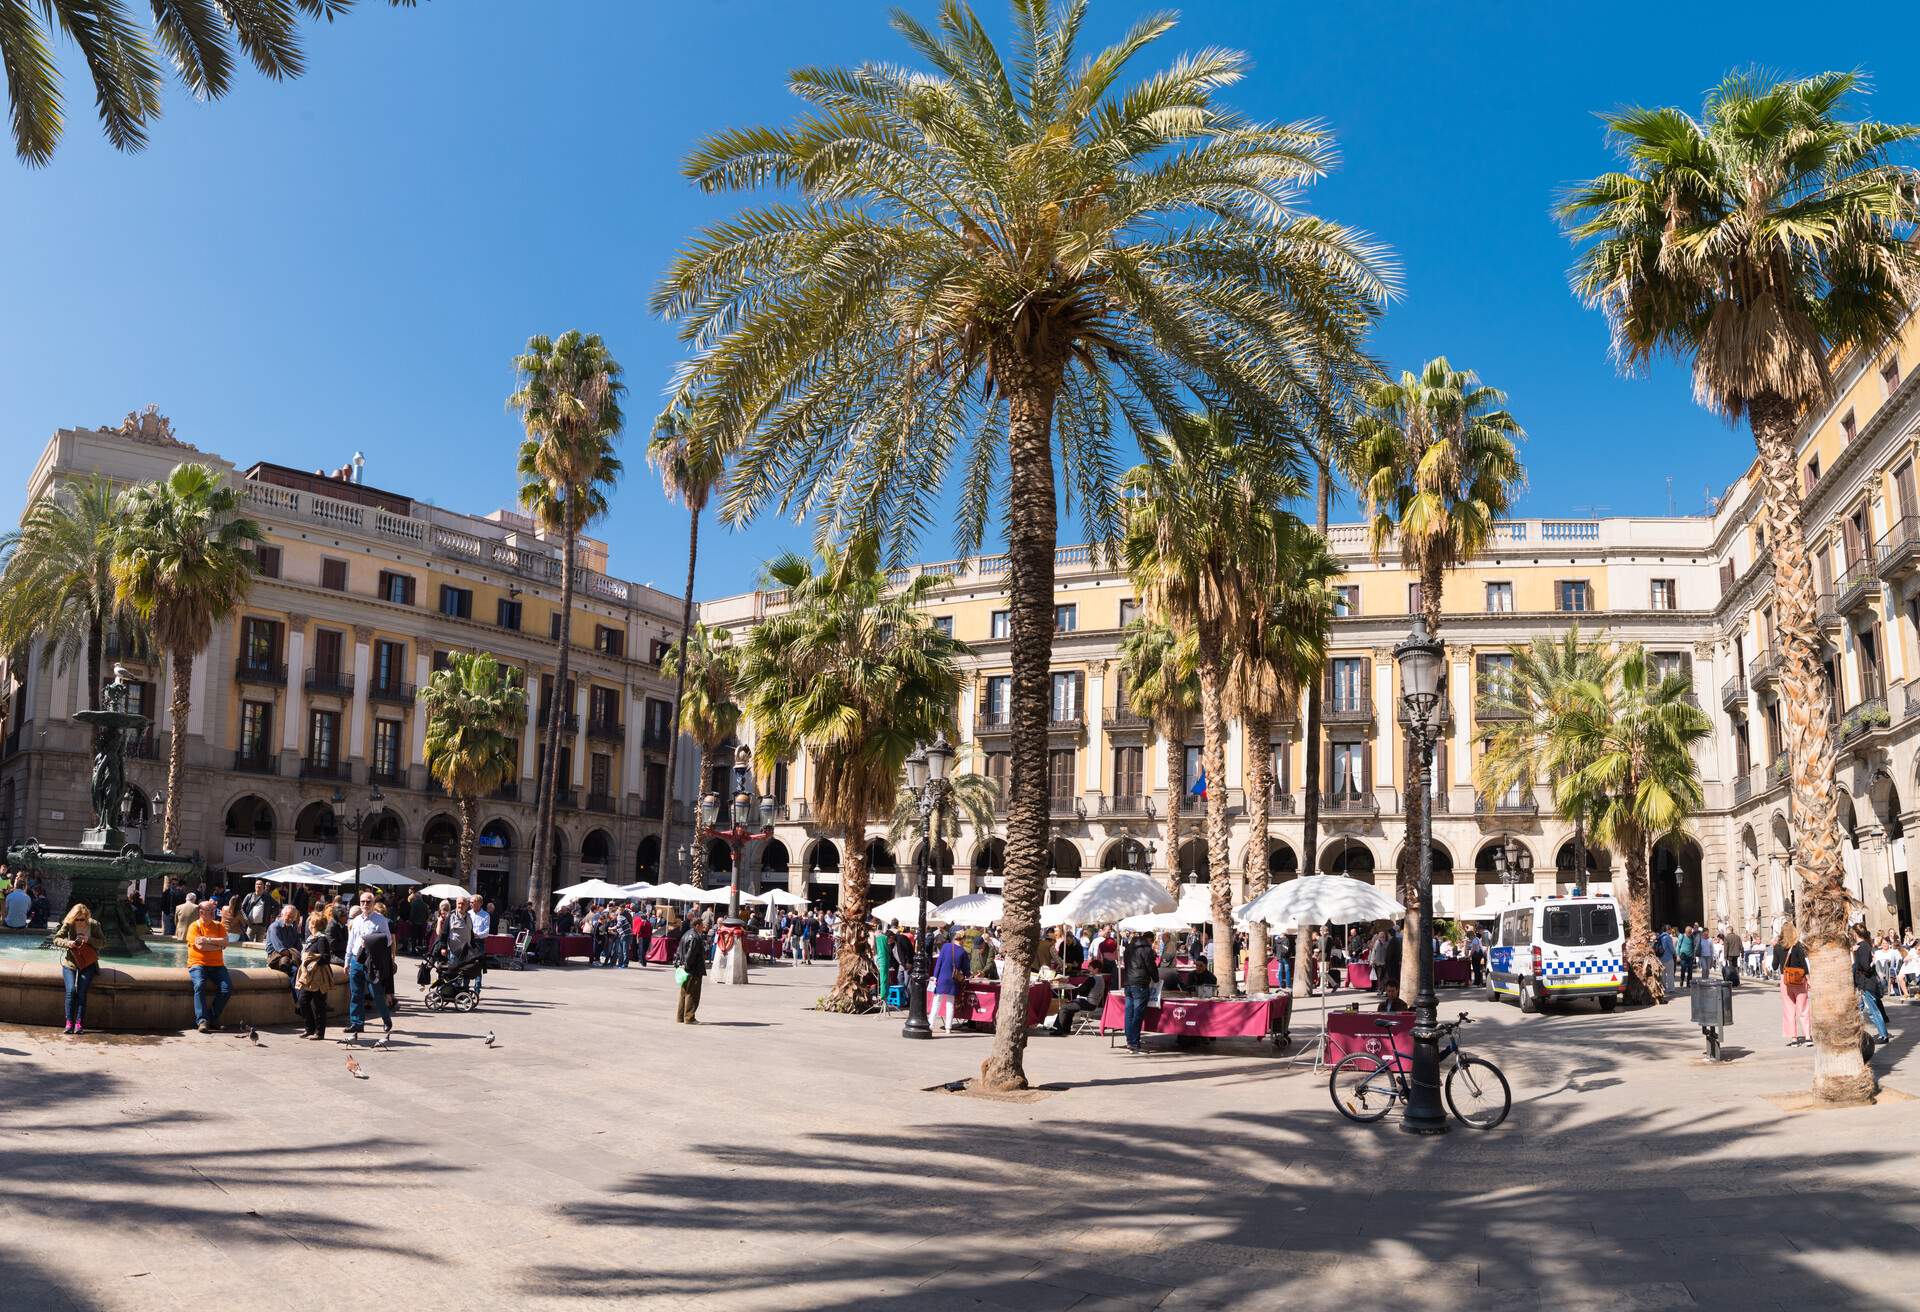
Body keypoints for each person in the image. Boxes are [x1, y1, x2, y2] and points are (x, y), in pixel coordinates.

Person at [344, 891, 393, 1041]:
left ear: (373, 903)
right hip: (356, 959)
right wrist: (347, 961)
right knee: (356, 993)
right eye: (363, 901)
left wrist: (371, 941)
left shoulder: (381, 920)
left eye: (368, 902)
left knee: (376, 993)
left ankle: (386, 1020)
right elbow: (350, 942)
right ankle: (357, 1023)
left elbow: (388, 940)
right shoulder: (356, 920)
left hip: (371, 961)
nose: (365, 904)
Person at [51, 902, 104, 1035]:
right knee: (70, 991)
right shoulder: (69, 923)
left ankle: (79, 1023)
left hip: (87, 963)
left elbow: (103, 943)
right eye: (77, 919)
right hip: (70, 962)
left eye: (82, 919)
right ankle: (69, 1022)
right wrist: (67, 943)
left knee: (81, 992)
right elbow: (56, 939)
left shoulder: (94, 924)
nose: (79, 921)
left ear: (86, 917)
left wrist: (89, 939)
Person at [185, 899, 232, 1033]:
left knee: (227, 989)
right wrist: (218, 946)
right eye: (209, 911)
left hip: (217, 965)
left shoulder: (219, 925)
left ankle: (212, 1017)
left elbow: (226, 942)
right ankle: (202, 1021)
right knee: (199, 985)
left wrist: (209, 940)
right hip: (197, 964)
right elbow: (201, 946)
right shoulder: (194, 926)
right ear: (201, 912)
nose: (213, 913)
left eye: (213, 911)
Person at [294, 917, 334, 1040]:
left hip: (318, 976)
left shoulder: (321, 939)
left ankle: (319, 1032)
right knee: (303, 1001)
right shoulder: (311, 939)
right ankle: (309, 1029)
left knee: (319, 1005)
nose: (309, 926)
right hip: (309, 976)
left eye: (310, 924)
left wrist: (313, 962)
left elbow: (326, 957)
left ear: (314, 925)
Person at [1853, 923, 1891, 1045]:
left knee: (1873, 1011)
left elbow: (1866, 967)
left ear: (1855, 933)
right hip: (1867, 982)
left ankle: (1883, 1035)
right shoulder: (1864, 946)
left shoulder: (1862, 947)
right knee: (1872, 1010)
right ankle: (1883, 1034)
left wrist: (1872, 963)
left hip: (1866, 983)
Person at [1121, 931, 1158, 1055]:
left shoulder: (1129, 948)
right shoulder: (1146, 949)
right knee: (1137, 1014)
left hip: (1128, 983)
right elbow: (1151, 966)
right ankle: (1134, 1043)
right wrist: (1156, 978)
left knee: (1129, 1013)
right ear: (1149, 939)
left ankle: (1129, 1041)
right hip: (1140, 984)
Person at [1775, 923, 1811, 1046]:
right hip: (1799, 978)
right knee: (1804, 1008)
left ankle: (1794, 1039)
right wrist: (1808, 978)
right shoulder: (1798, 946)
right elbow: (1804, 964)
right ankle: (1807, 1037)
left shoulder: (1778, 947)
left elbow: (1774, 966)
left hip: (1785, 980)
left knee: (1789, 1010)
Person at [930, 931, 969, 1033]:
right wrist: (968, 975)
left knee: (936, 1002)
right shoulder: (963, 952)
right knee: (950, 1003)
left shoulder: (946, 947)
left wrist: (935, 975)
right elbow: (966, 971)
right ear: (963, 940)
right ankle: (948, 1028)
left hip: (942, 978)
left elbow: (939, 962)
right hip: (953, 980)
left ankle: (930, 1024)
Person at [1051, 969, 1109, 1036]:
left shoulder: (1092, 979)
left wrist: (1078, 988)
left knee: (1064, 1007)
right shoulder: (1101, 978)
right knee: (1069, 1006)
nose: (1089, 971)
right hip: (1093, 1003)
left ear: (1096, 969)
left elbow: (1082, 990)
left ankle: (1060, 1029)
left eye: (1091, 968)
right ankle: (1066, 1029)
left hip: (1088, 1003)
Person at [674, 917, 708, 1023]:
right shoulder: (695, 937)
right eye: (702, 925)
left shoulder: (686, 934)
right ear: (697, 925)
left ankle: (680, 1017)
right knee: (692, 994)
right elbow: (691, 953)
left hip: (685, 968)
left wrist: (680, 964)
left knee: (684, 993)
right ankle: (689, 1017)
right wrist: (687, 965)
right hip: (693, 969)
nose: (703, 927)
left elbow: (679, 951)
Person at [265, 904, 303, 987]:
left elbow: (299, 948)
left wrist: (293, 952)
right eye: (288, 916)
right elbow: (281, 950)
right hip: (276, 958)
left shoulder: (293, 929)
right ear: (282, 914)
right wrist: (293, 952)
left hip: (290, 958)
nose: (290, 919)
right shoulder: (274, 927)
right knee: (295, 970)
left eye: (293, 917)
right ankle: (297, 998)